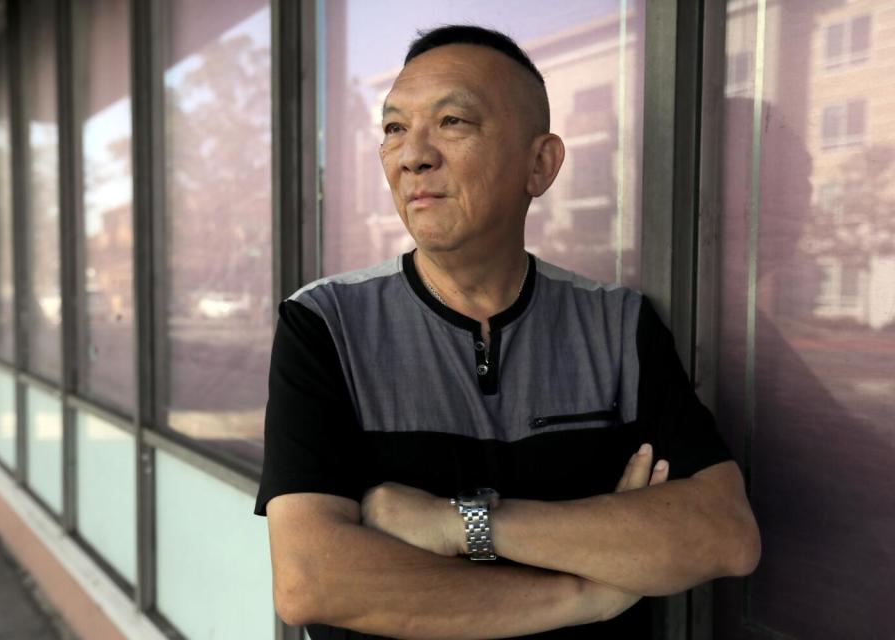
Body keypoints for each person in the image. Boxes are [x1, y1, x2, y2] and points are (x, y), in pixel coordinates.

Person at [254, 25, 761, 639]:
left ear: (539, 163)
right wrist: (588, 593)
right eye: (393, 128)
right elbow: (312, 580)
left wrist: (457, 524)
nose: (412, 154)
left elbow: (723, 535)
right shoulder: (325, 324)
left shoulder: (618, 326)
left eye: (452, 122)